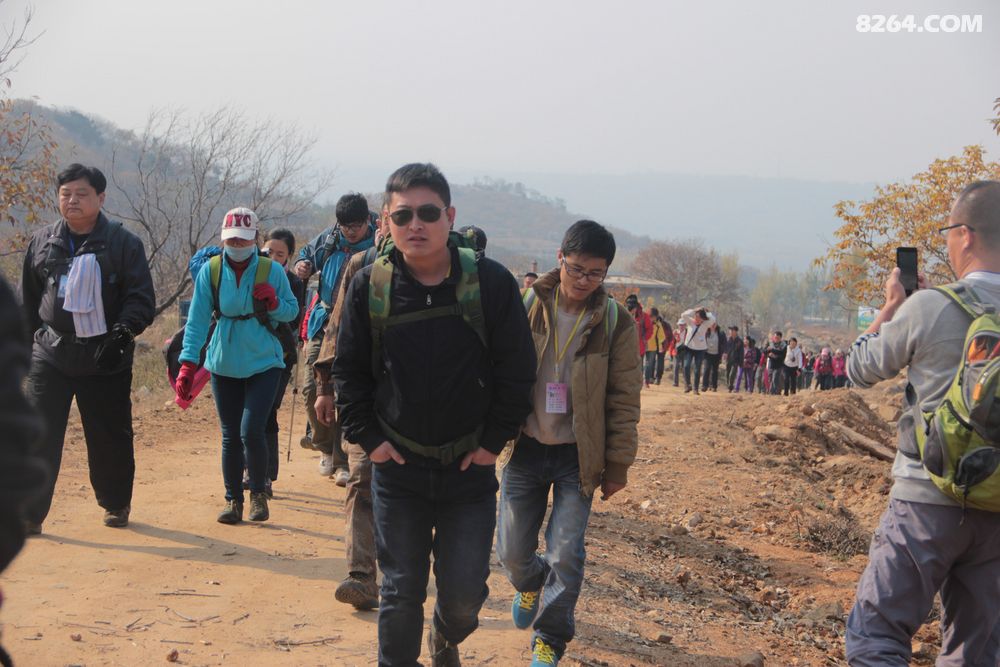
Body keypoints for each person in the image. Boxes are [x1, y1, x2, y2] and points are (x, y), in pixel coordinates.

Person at [332, 163, 536, 666]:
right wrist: (371, 439)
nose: (415, 225)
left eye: (427, 213)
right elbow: (349, 371)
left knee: (465, 595)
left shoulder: (489, 284)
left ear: (450, 216)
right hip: (397, 470)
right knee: (401, 593)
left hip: (468, 469)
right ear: (386, 221)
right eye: (403, 216)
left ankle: (446, 634)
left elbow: (517, 370)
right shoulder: (370, 286)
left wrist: (492, 444)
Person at [844, 180, 1000, 666]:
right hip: (997, 508)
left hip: (925, 499)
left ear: (965, 235)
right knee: (978, 651)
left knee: (878, 634)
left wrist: (892, 309)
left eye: (949, 231)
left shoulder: (930, 306)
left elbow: (860, 367)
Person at [497, 220, 640, 667]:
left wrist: (617, 466)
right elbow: (496, 368)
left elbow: (623, 398)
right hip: (526, 444)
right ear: (560, 258)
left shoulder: (616, 322)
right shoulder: (526, 304)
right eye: (576, 269)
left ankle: (551, 637)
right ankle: (531, 580)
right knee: (512, 551)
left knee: (566, 552)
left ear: (606, 275)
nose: (583, 281)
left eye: (595, 274)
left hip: (578, 455)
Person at [20, 164, 156, 532]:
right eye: (66, 194)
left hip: (104, 356)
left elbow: (141, 300)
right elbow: (31, 300)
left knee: (108, 434)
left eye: (81, 194)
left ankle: (116, 504)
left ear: (101, 198)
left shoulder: (124, 244)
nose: (73, 200)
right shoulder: (42, 241)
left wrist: (121, 336)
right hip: (51, 353)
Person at [176, 208, 299, 524]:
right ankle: (233, 500)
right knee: (230, 435)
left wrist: (273, 302)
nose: (237, 245)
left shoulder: (271, 271)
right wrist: (188, 364)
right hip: (224, 361)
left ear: (255, 239)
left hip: (264, 360)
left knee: (252, 429)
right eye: (232, 239)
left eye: (243, 240)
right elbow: (197, 321)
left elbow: (291, 312)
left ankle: (259, 493)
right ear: (223, 238)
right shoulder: (212, 271)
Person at [312, 212, 392, 611]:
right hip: (366, 400)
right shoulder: (361, 267)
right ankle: (361, 575)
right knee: (361, 480)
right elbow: (336, 329)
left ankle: (404, 569)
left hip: (424, 409)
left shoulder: (446, 272)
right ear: (383, 224)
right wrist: (325, 389)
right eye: (396, 218)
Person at [295, 194, 377, 485]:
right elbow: (304, 256)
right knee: (310, 389)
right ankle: (322, 444)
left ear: (368, 220)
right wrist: (302, 265)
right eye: (345, 226)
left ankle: (341, 458)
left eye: (356, 225)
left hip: (356, 327)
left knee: (346, 393)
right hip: (322, 321)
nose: (350, 231)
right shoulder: (329, 240)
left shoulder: (378, 246)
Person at [259, 228, 306, 495]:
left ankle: (265, 475)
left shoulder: (293, 282)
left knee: (266, 411)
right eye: (269, 252)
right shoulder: (250, 274)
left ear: (289, 257)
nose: (274, 258)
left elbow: (294, 320)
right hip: (249, 354)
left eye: (281, 254)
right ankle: (251, 470)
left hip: (281, 356)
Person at [679, 307, 715, 394]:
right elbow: (683, 315)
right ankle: (688, 385)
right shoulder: (690, 322)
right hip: (689, 348)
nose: (697, 319)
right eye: (696, 316)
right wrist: (695, 310)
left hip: (700, 350)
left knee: (697, 368)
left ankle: (695, 388)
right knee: (686, 366)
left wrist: (707, 312)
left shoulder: (706, 324)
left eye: (699, 317)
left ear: (703, 318)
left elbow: (713, 319)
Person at [624, 294, 652, 363]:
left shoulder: (644, 316)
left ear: (636, 307)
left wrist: (644, 338)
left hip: (639, 348)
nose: (632, 311)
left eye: (633, 308)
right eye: (629, 309)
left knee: (639, 369)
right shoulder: (624, 315)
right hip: (626, 349)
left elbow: (650, 329)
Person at [643, 307, 666, 388]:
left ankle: (646, 381)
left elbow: (661, 337)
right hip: (642, 346)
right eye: (649, 315)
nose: (650, 318)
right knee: (641, 364)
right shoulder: (643, 322)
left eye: (652, 316)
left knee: (648, 364)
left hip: (652, 348)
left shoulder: (658, 325)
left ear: (656, 317)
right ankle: (639, 380)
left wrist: (661, 347)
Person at [764, 331, 787, 395]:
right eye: (775, 337)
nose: (776, 339)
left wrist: (774, 354)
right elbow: (764, 352)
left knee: (775, 379)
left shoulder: (784, 345)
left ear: (780, 338)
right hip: (771, 364)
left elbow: (782, 355)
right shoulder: (771, 344)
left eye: (778, 338)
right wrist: (769, 354)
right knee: (770, 379)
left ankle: (775, 393)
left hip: (779, 365)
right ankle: (773, 393)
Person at [701, 322, 722, 392]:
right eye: (711, 324)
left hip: (716, 354)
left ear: (716, 325)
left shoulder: (720, 333)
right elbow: (702, 340)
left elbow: (724, 343)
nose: (713, 326)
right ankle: (704, 385)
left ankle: (714, 386)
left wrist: (724, 352)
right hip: (707, 354)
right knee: (706, 369)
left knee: (715, 371)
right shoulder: (706, 332)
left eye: (714, 324)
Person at [724, 326, 743, 392]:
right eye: (730, 330)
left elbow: (741, 352)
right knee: (727, 373)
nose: (730, 332)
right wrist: (724, 354)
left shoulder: (739, 341)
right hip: (728, 360)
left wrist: (741, 362)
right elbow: (725, 349)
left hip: (736, 360)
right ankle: (729, 385)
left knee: (732, 374)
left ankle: (730, 387)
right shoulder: (728, 340)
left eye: (732, 330)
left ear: (735, 332)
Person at [672, 322, 687, 387]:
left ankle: (686, 383)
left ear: (685, 325)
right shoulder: (675, 332)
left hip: (685, 350)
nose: (681, 326)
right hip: (676, 350)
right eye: (680, 325)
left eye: (683, 325)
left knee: (685, 367)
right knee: (676, 367)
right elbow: (672, 341)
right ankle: (675, 382)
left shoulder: (687, 332)